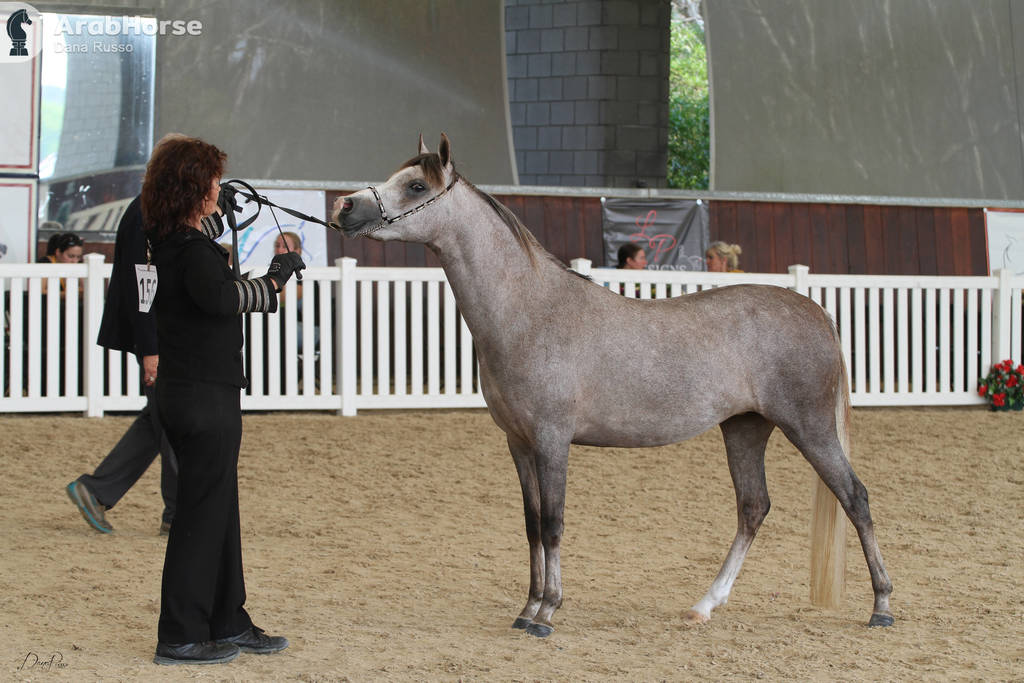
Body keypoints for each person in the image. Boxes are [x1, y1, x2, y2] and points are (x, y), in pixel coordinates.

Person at [143, 134, 303, 666]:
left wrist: (225, 211)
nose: (218, 191)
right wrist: (276, 280)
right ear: (194, 189)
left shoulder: (170, 240)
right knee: (200, 515)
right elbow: (222, 296)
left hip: (196, 392)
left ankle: (227, 619)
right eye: (213, 184)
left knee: (219, 510)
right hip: (203, 396)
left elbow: (198, 246)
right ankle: (181, 635)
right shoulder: (189, 253)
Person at [66, 198, 179, 536]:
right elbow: (143, 283)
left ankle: (97, 490)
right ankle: (176, 515)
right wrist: (149, 347)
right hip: (159, 337)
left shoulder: (150, 207)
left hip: (160, 335)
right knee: (171, 422)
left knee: (157, 420)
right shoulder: (151, 210)